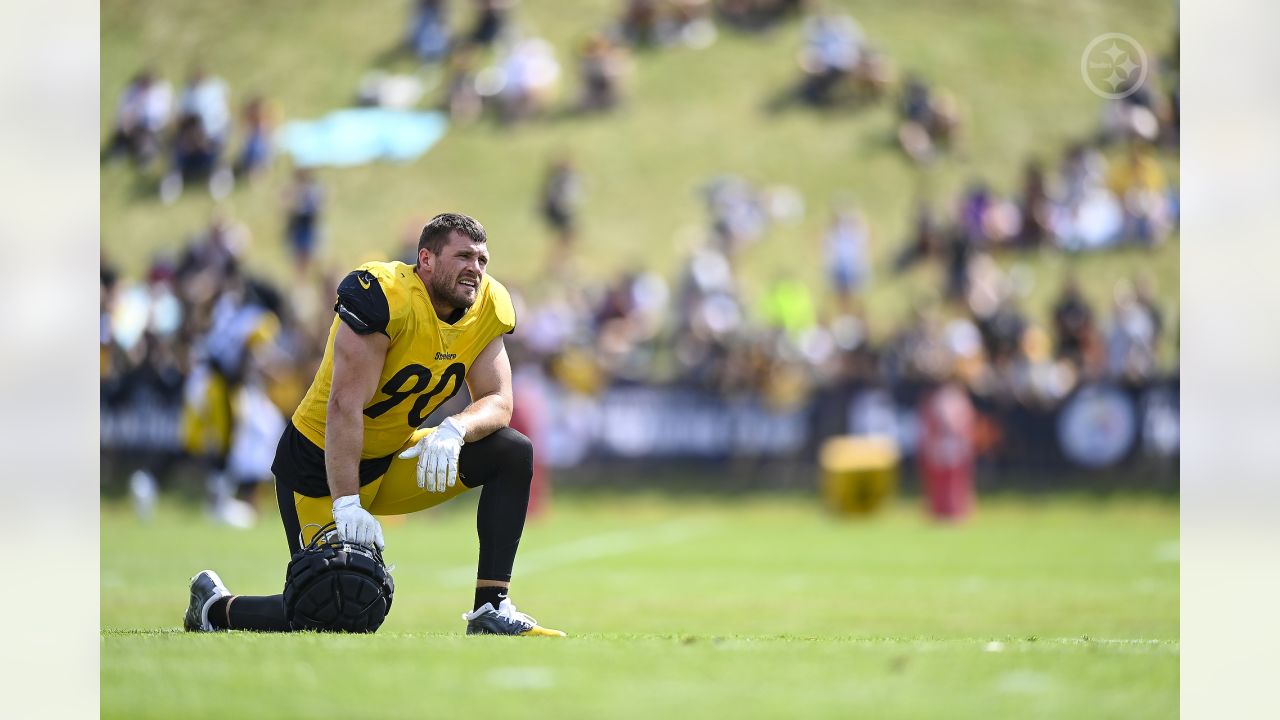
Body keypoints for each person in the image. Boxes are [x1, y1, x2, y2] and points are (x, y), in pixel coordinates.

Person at [184, 212, 565, 637]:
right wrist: (346, 502)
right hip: (322, 465)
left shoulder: (488, 304)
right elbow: (344, 407)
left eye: (482, 259)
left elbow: (499, 400)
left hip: (394, 457)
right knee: (335, 601)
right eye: (463, 256)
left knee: (511, 451)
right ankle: (216, 609)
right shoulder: (385, 296)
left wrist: (454, 427)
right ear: (427, 259)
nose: (475, 269)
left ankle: (491, 608)